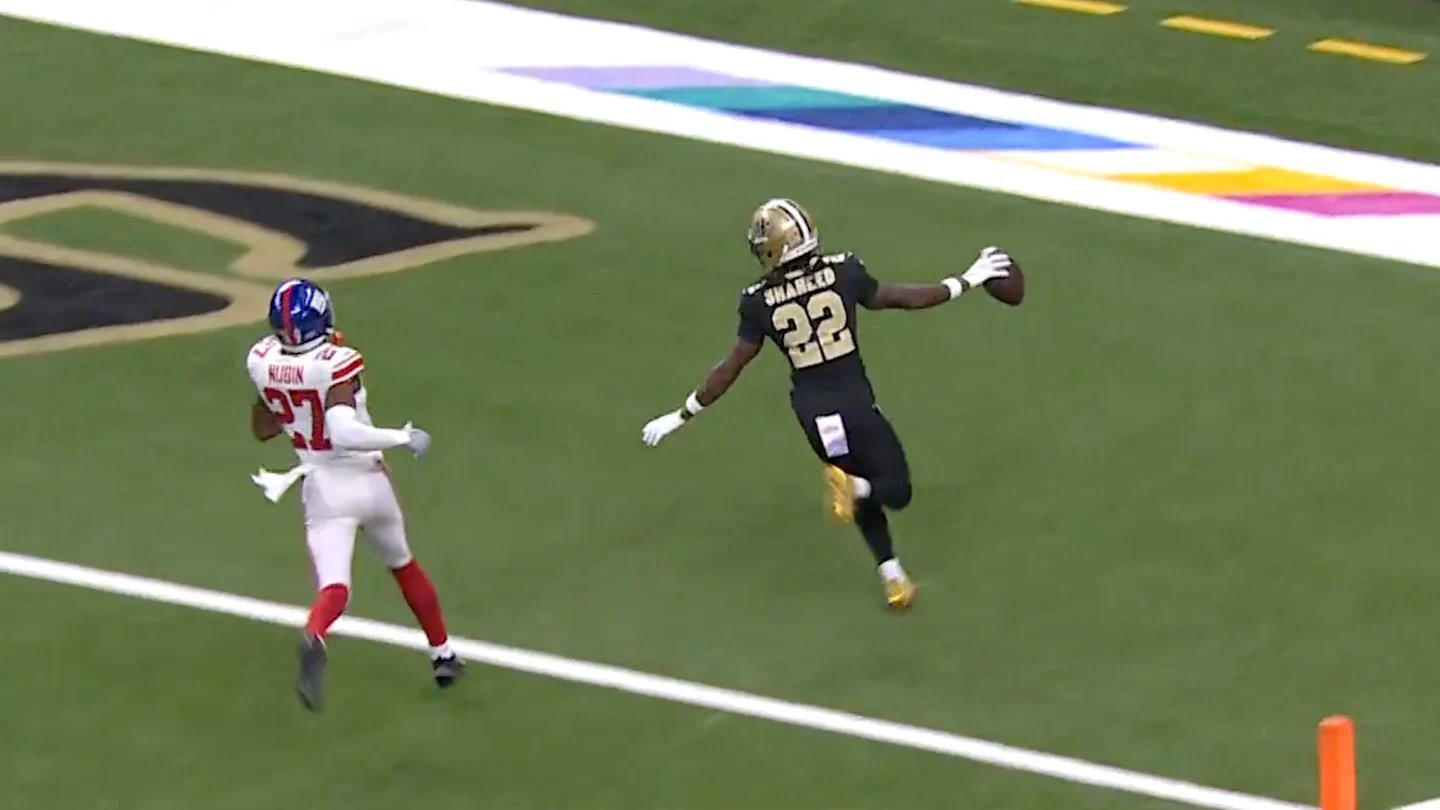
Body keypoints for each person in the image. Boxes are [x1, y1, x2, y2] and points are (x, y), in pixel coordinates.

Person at [640, 199, 1012, 610]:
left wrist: (683, 414)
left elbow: (731, 366)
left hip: (815, 418)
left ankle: (893, 576)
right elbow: (903, 298)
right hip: (855, 404)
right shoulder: (843, 270)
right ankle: (858, 493)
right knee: (894, 489)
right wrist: (967, 280)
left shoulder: (757, 301)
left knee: (855, 487)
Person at [246, 278, 463, 711]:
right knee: (403, 564)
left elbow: (263, 428)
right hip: (366, 479)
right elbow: (344, 430)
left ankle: (316, 633)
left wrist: (286, 395)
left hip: (322, 488)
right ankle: (443, 655)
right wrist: (402, 436)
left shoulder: (261, 358)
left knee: (335, 587)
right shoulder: (336, 362)